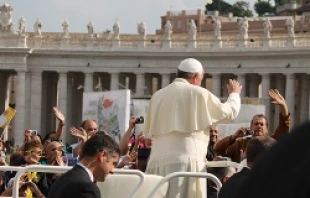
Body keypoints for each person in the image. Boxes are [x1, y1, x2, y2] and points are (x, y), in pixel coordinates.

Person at [143, 58, 242, 198]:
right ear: (196, 77)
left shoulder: (157, 96)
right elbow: (229, 113)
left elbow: (148, 136)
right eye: (201, 79)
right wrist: (234, 95)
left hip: (157, 163)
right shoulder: (199, 93)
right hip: (187, 165)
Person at [215, 89, 290, 163]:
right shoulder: (241, 144)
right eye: (256, 124)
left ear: (267, 129)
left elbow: (284, 126)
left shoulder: (271, 142)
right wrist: (234, 136)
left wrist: (283, 105)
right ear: (251, 127)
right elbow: (218, 149)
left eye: (261, 124)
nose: (259, 126)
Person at [47, 133, 119, 198]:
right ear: (102, 156)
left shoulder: (60, 181)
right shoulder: (88, 189)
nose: (112, 170)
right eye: (113, 163)